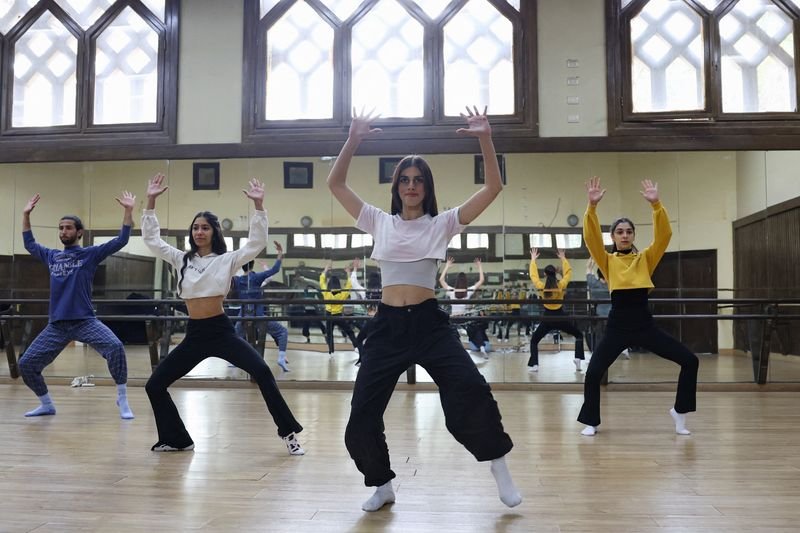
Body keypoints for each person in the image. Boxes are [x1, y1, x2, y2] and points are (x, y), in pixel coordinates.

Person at [328, 106, 521, 512]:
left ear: (426, 187)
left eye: (417, 181)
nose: (411, 186)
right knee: (362, 411)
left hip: (430, 325)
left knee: (469, 389)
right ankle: (381, 485)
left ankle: (497, 462)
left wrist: (485, 137)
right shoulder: (378, 221)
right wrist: (354, 139)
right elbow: (336, 182)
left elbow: (493, 188)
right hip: (387, 327)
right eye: (404, 180)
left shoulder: (443, 223)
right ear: (396, 186)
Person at [141, 173, 304, 454]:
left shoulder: (227, 260)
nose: (199, 232)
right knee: (155, 385)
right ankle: (178, 439)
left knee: (262, 372)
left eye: (205, 227)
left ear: (215, 231)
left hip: (220, 331)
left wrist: (259, 207)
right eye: (195, 228)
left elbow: (255, 243)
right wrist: (151, 201)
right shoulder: (182, 259)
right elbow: (153, 241)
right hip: (195, 334)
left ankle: (289, 433)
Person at [579, 176, 698, 437]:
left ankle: (680, 412)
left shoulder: (645, 258)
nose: (624, 235)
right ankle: (592, 421)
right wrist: (592, 207)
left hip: (644, 325)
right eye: (620, 232)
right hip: (618, 326)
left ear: (634, 235)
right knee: (593, 372)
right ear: (613, 236)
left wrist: (656, 205)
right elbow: (590, 238)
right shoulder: (607, 260)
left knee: (690, 361)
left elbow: (664, 236)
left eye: (629, 231)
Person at [19, 192, 135, 420]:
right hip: (57, 325)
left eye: (69, 228)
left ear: (79, 232)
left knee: (115, 347)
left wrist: (128, 211)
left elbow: (121, 240)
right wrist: (25, 214)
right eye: (61, 228)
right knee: (26, 364)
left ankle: (122, 397)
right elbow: (29, 243)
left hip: (84, 321)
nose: (64, 231)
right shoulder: (52, 256)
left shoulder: (89, 255)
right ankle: (47, 404)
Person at [231, 243, 291, 372]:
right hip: (258, 316)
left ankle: (235, 359)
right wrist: (280, 254)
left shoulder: (237, 280)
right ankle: (281, 357)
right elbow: (274, 270)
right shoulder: (257, 277)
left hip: (243, 317)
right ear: (252, 266)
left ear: (242, 267)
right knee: (282, 332)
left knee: (235, 336)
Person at [527, 248, 585, 372]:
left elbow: (533, 276)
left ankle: (535, 365)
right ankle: (578, 360)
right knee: (578, 335)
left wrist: (533, 260)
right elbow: (568, 273)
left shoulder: (542, 287)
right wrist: (563, 258)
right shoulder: (561, 285)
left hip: (547, 318)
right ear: (555, 273)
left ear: (545, 274)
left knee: (534, 340)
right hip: (560, 316)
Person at [439, 257, 489, 357]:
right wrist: (479, 266)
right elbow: (481, 280)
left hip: (453, 318)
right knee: (475, 330)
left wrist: (447, 266)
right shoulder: (468, 291)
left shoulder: (452, 291)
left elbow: (441, 280)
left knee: (448, 332)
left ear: (456, 282)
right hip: (464, 318)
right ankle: (482, 348)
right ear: (465, 282)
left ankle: (450, 351)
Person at [586, 257, 629, 358]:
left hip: (600, 315)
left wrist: (592, 259)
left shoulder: (594, 284)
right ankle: (622, 349)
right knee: (616, 334)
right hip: (613, 314)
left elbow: (588, 270)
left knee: (600, 337)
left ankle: (598, 355)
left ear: (598, 275)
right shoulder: (613, 284)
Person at [320, 261, 359, 356]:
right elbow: (349, 285)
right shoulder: (342, 294)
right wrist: (348, 273)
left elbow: (321, 282)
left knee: (329, 334)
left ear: (329, 284)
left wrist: (325, 270)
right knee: (349, 331)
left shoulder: (326, 293)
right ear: (338, 284)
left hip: (329, 315)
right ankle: (356, 346)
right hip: (338, 316)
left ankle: (331, 351)